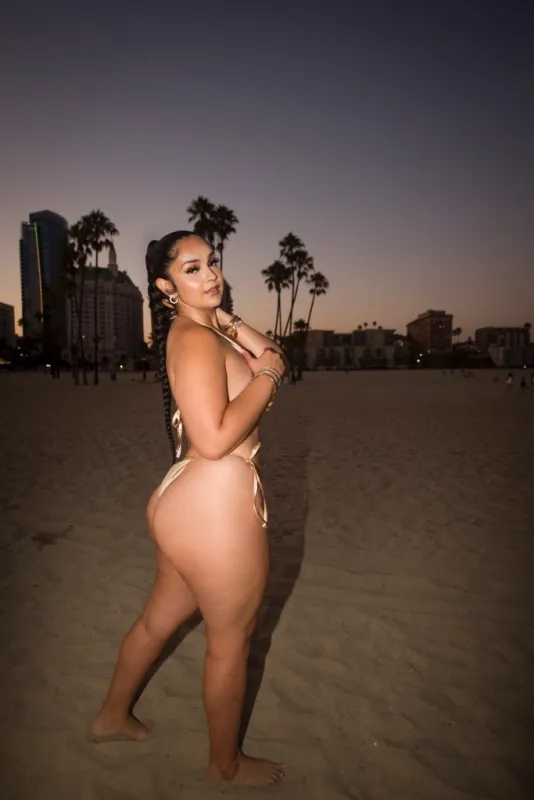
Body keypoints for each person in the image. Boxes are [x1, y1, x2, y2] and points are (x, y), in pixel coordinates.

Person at [91, 231, 287, 787]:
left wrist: (224, 317)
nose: (211, 274)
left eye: (212, 263)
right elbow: (215, 437)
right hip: (215, 508)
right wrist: (267, 376)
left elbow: (274, 352)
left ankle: (111, 718)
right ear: (165, 286)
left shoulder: (202, 330)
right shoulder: (194, 339)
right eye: (192, 268)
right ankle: (225, 766)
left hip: (186, 501)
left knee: (159, 620)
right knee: (231, 642)